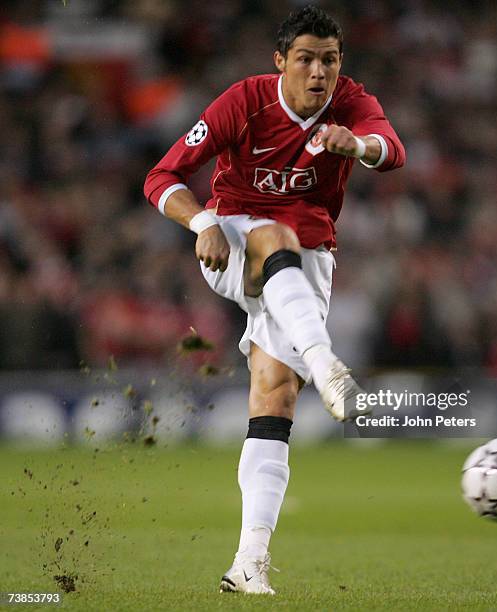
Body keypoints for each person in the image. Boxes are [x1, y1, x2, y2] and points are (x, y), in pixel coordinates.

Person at [144, 5, 405, 595]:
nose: (319, 72)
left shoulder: (351, 104)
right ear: (281, 61)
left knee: (275, 397)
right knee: (271, 237)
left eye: (330, 60)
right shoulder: (244, 101)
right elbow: (161, 176)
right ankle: (327, 364)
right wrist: (202, 221)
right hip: (232, 241)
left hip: (311, 262)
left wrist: (358, 144)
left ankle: (249, 563)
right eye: (307, 59)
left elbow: (394, 150)